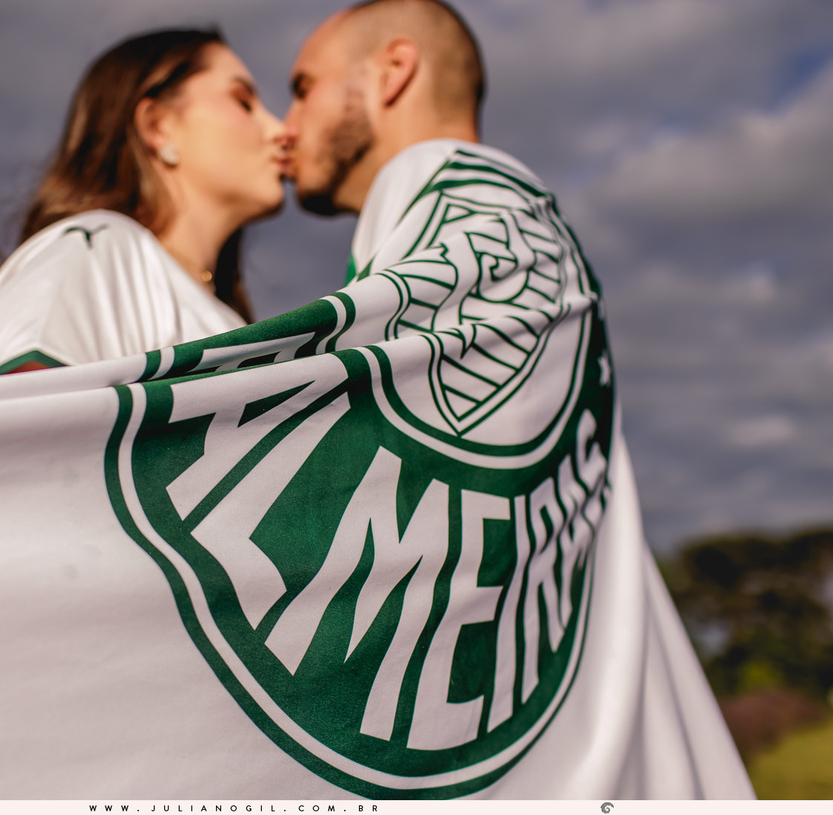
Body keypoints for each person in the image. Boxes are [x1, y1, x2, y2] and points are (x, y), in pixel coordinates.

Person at [278, 0, 756, 798]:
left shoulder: (460, 198)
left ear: (392, 71)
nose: (286, 125)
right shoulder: (483, 217)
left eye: (303, 87)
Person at [0, 28, 287, 378]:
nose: (280, 130)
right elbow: (22, 417)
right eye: (243, 101)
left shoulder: (228, 320)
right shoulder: (97, 248)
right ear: (158, 127)